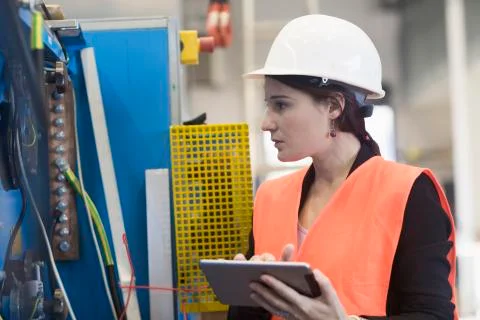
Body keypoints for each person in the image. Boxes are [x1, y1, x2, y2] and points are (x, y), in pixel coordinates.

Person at [227, 14, 457, 320]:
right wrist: (246, 297)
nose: (266, 123)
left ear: (334, 106)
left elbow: (432, 315)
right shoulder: (270, 197)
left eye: (281, 105)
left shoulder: (407, 193)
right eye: (268, 106)